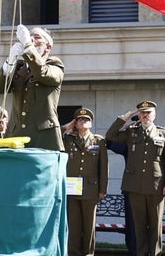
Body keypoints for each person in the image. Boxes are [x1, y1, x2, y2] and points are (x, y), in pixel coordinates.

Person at [106, 100, 165, 256]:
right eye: (142, 113)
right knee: (138, 226)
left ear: (154, 115)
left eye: (148, 112)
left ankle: (155, 253)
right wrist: (124, 118)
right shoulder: (131, 132)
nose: (145, 115)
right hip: (134, 186)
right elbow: (110, 136)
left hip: (156, 186)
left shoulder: (163, 133)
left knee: (155, 225)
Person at [0, 24, 64, 150]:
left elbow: (42, 72)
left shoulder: (55, 65)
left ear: (48, 47)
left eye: (37, 37)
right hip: (16, 135)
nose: (31, 39)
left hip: (43, 137)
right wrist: (10, 61)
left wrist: (28, 46)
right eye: (29, 37)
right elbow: (0, 88)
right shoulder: (19, 67)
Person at [62, 107, 108, 256]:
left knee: (89, 226)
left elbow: (103, 167)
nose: (83, 121)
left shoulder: (98, 141)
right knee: (73, 225)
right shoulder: (68, 140)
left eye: (86, 120)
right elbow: (53, 137)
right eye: (79, 120)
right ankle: (73, 252)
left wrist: (102, 189)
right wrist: (66, 127)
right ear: (75, 123)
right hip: (72, 189)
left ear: (91, 123)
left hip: (91, 189)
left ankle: (88, 253)